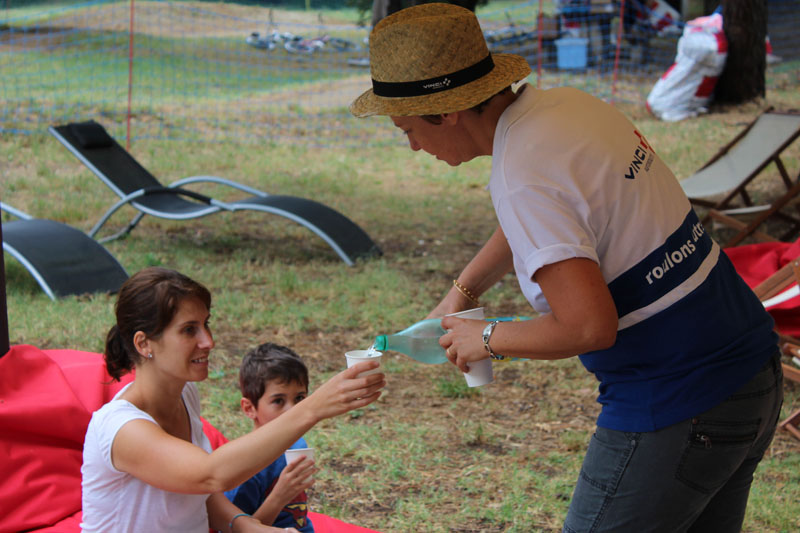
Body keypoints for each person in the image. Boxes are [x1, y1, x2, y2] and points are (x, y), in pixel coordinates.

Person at [349, 4, 783, 532]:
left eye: (408, 129)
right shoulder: (565, 110)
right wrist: (463, 290)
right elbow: (555, 213)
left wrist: (485, 337)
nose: (414, 146)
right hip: (747, 366)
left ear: (446, 113)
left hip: (678, 399)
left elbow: (587, 327)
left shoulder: (522, 174)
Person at [81, 267, 384, 533]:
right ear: (144, 342)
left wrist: (244, 525)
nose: (208, 341)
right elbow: (209, 475)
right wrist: (314, 407)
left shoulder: (185, 394)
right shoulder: (121, 429)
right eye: (189, 330)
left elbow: (192, 493)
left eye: (206, 324)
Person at [224, 343, 317, 532]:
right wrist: (280, 496)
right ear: (250, 408)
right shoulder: (244, 468)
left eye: (299, 398)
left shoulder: (297, 444)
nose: (293, 411)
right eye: (278, 401)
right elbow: (237, 530)